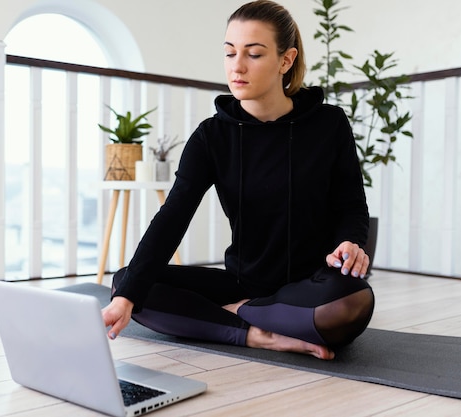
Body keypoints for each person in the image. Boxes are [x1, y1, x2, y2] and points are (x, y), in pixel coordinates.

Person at [101, 0, 374, 360]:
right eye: (230, 53)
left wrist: (351, 243)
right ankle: (257, 333)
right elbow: (172, 218)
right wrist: (125, 299)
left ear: (285, 60)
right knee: (127, 282)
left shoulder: (329, 124)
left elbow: (351, 205)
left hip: (312, 284)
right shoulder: (211, 137)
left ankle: (238, 314)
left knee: (352, 303)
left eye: (254, 54)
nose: (237, 67)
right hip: (243, 283)